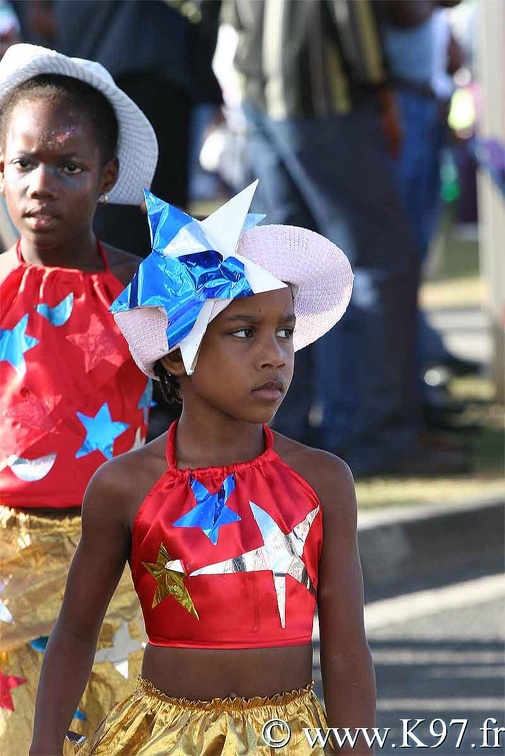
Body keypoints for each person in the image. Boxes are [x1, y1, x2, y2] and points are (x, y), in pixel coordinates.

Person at [30, 183, 376, 755]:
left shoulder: (323, 481)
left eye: (285, 331)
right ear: (175, 351)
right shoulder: (124, 486)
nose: (275, 355)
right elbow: (73, 632)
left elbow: (345, 651)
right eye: (243, 332)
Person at [230, 0, 468, 476]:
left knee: (289, 269)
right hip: (327, 98)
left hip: (262, 97)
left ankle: (291, 433)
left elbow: (235, 20)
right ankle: (374, 435)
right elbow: (353, 16)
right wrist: (382, 93)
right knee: (377, 264)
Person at [0, 43, 158, 752]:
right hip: (7, 558)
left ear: (107, 177)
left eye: (68, 166)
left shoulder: (144, 292)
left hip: (114, 554)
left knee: (120, 729)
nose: (43, 184)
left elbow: (216, 392)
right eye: (25, 163)